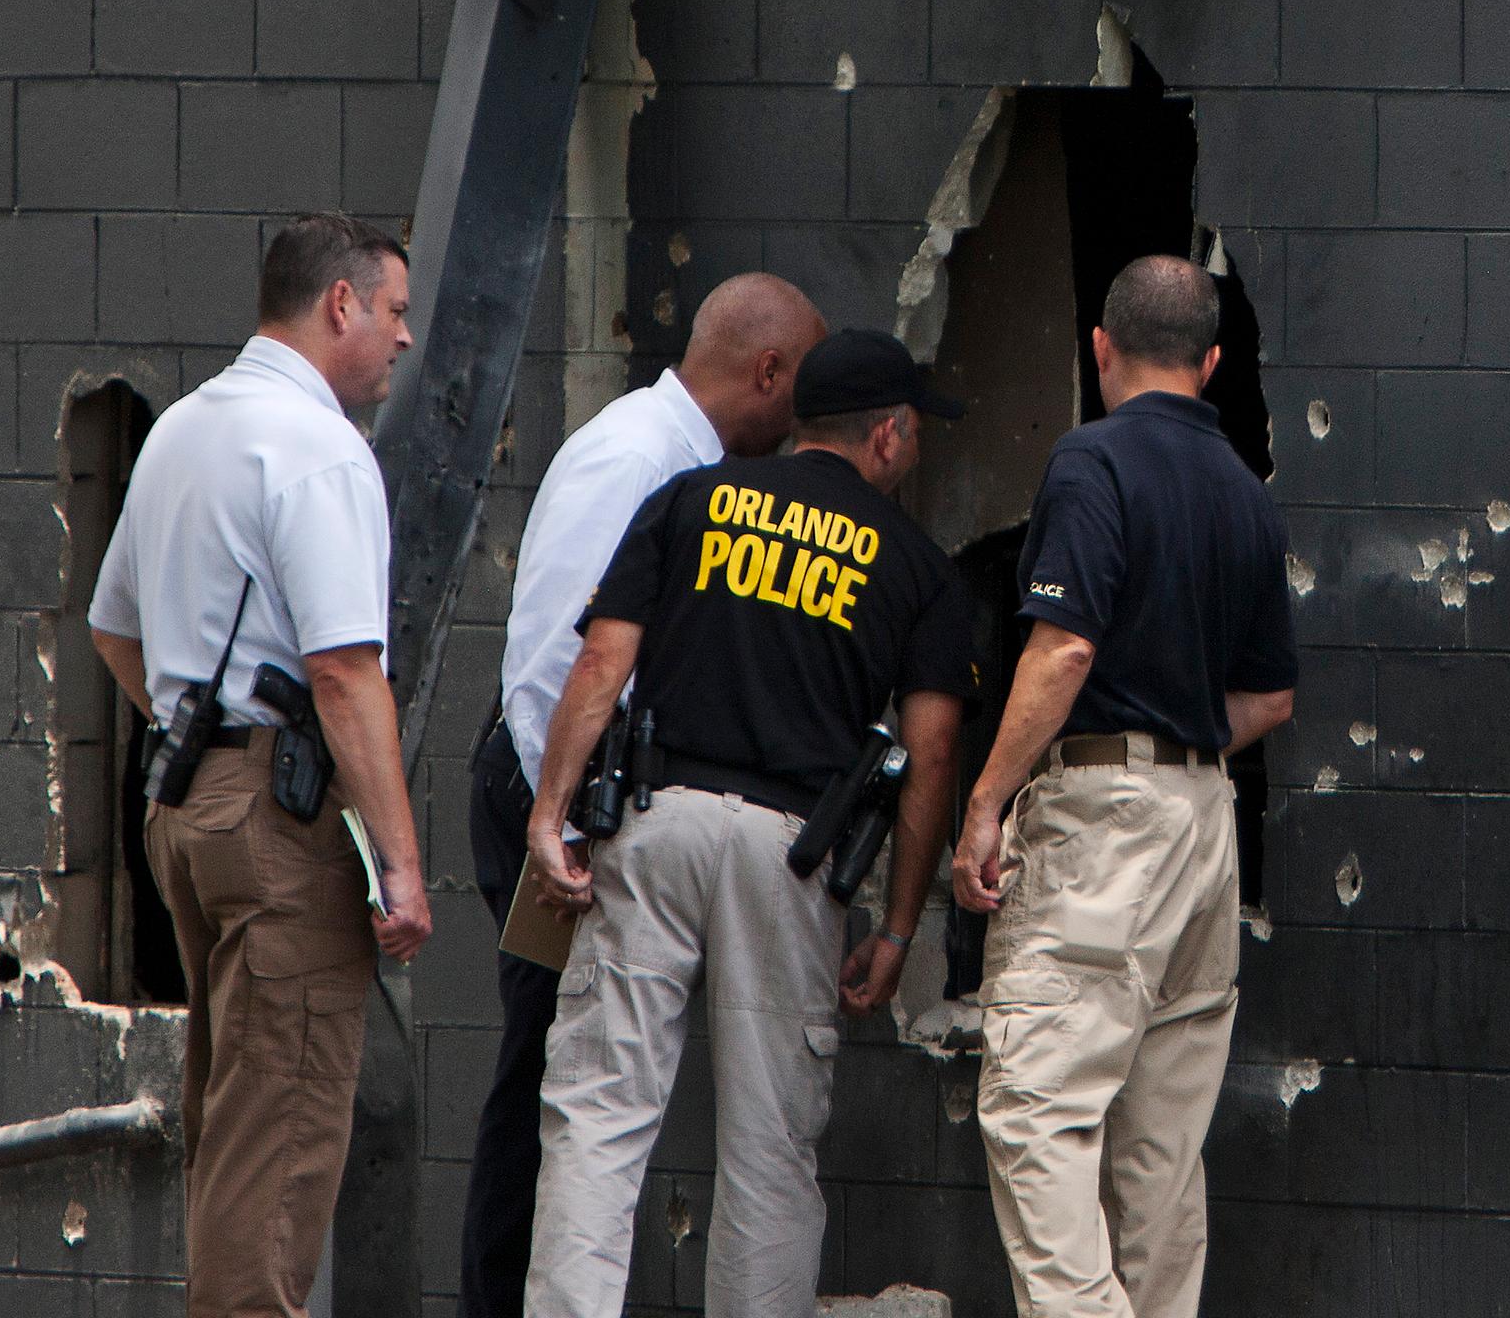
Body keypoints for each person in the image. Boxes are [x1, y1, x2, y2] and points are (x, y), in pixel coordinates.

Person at [520, 328, 981, 1318]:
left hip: (653, 824)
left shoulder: (690, 497)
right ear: (890, 437)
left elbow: (600, 666)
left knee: (599, 1117)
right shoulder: (916, 566)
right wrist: (899, 928)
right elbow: (931, 756)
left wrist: (550, 813)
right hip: (791, 856)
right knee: (770, 1148)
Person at [87, 213, 435, 1318]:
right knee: (280, 1131)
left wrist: (200, 729)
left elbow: (112, 631)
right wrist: (402, 860)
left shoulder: (185, 428)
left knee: (234, 1121)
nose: (405, 338)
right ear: (340, 307)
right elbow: (344, 674)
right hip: (277, 822)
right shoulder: (321, 446)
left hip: (184, 804)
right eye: (394, 312)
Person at [460, 275, 827, 1318]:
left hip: (575, 802)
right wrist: (563, 834)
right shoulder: (637, 460)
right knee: (544, 1083)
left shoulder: (678, 461)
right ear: (766, 373)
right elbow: (554, 663)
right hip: (553, 801)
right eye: (797, 394)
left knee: (559, 1079)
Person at [953, 255, 1299, 1318]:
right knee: (1161, 1151)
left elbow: (1061, 653)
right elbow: (1271, 702)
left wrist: (988, 800)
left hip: (1106, 822)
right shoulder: (1247, 491)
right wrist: (1184, 729)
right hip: (1206, 826)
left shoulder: (1090, 462)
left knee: (1036, 1110)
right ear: (1212, 362)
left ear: (1099, 349)